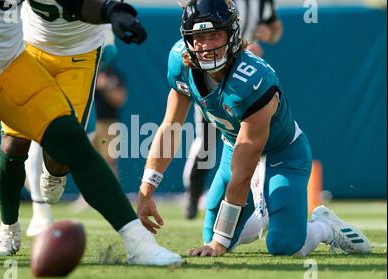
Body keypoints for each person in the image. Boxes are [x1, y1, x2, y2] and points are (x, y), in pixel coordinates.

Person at [0, 0, 181, 266]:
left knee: (68, 142)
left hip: (14, 64)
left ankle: (138, 242)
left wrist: (111, 11)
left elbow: (71, 3)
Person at [137, 0, 370, 257]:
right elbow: (170, 129)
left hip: (283, 152)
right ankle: (263, 211)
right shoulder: (181, 62)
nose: (205, 47)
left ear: (232, 34)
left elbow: (244, 168)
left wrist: (219, 243)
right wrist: (147, 189)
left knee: (283, 246)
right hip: (232, 146)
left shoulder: (253, 79)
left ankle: (324, 227)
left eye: (214, 35)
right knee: (215, 232)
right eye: (198, 37)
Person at [182, 0, 283, 220]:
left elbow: (275, 29)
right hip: (210, 75)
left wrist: (268, 34)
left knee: (249, 141)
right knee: (206, 142)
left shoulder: (260, 3)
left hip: (239, 77)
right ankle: (193, 195)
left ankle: (255, 197)